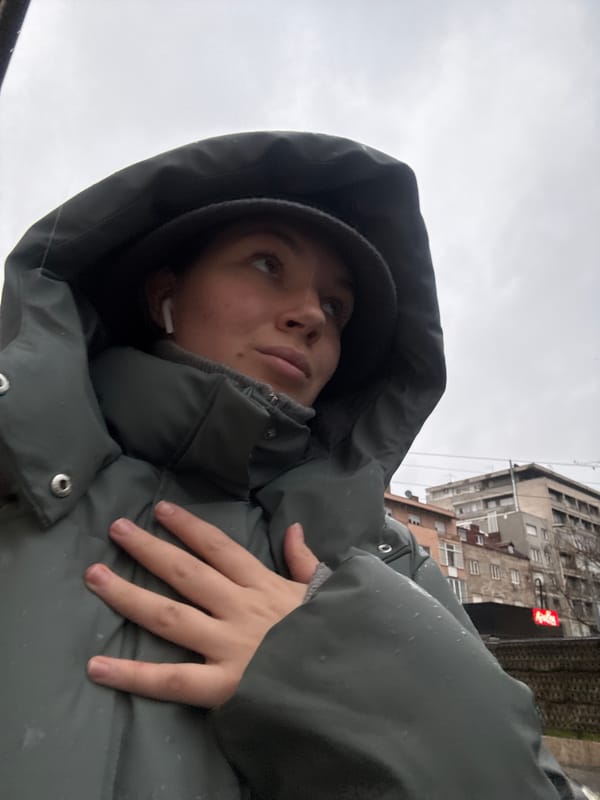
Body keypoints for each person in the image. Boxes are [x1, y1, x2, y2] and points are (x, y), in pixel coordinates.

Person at [0, 131, 574, 799]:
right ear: (165, 294)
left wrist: (347, 682)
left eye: (337, 306)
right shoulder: (16, 464)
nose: (311, 316)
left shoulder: (384, 563)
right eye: (267, 264)